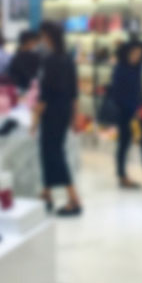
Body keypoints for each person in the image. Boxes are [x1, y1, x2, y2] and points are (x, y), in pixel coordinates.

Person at [33, 21, 82, 216]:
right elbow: (74, 93)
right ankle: (47, 192)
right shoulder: (68, 59)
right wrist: (74, 116)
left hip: (51, 112)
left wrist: (35, 119)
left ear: (48, 37)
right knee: (49, 152)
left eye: (43, 37)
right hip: (63, 112)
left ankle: (74, 198)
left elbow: (44, 95)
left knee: (53, 153)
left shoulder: (50, 61)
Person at [109, 39, 142, 194]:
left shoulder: (138, 67)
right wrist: (134, 110)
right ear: (126, 53)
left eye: (139, 54)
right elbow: (117, 96)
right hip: (126, 114)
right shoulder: (120, 70)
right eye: (134, 53)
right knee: (124, 144)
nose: (137, 56)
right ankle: (122, 176)